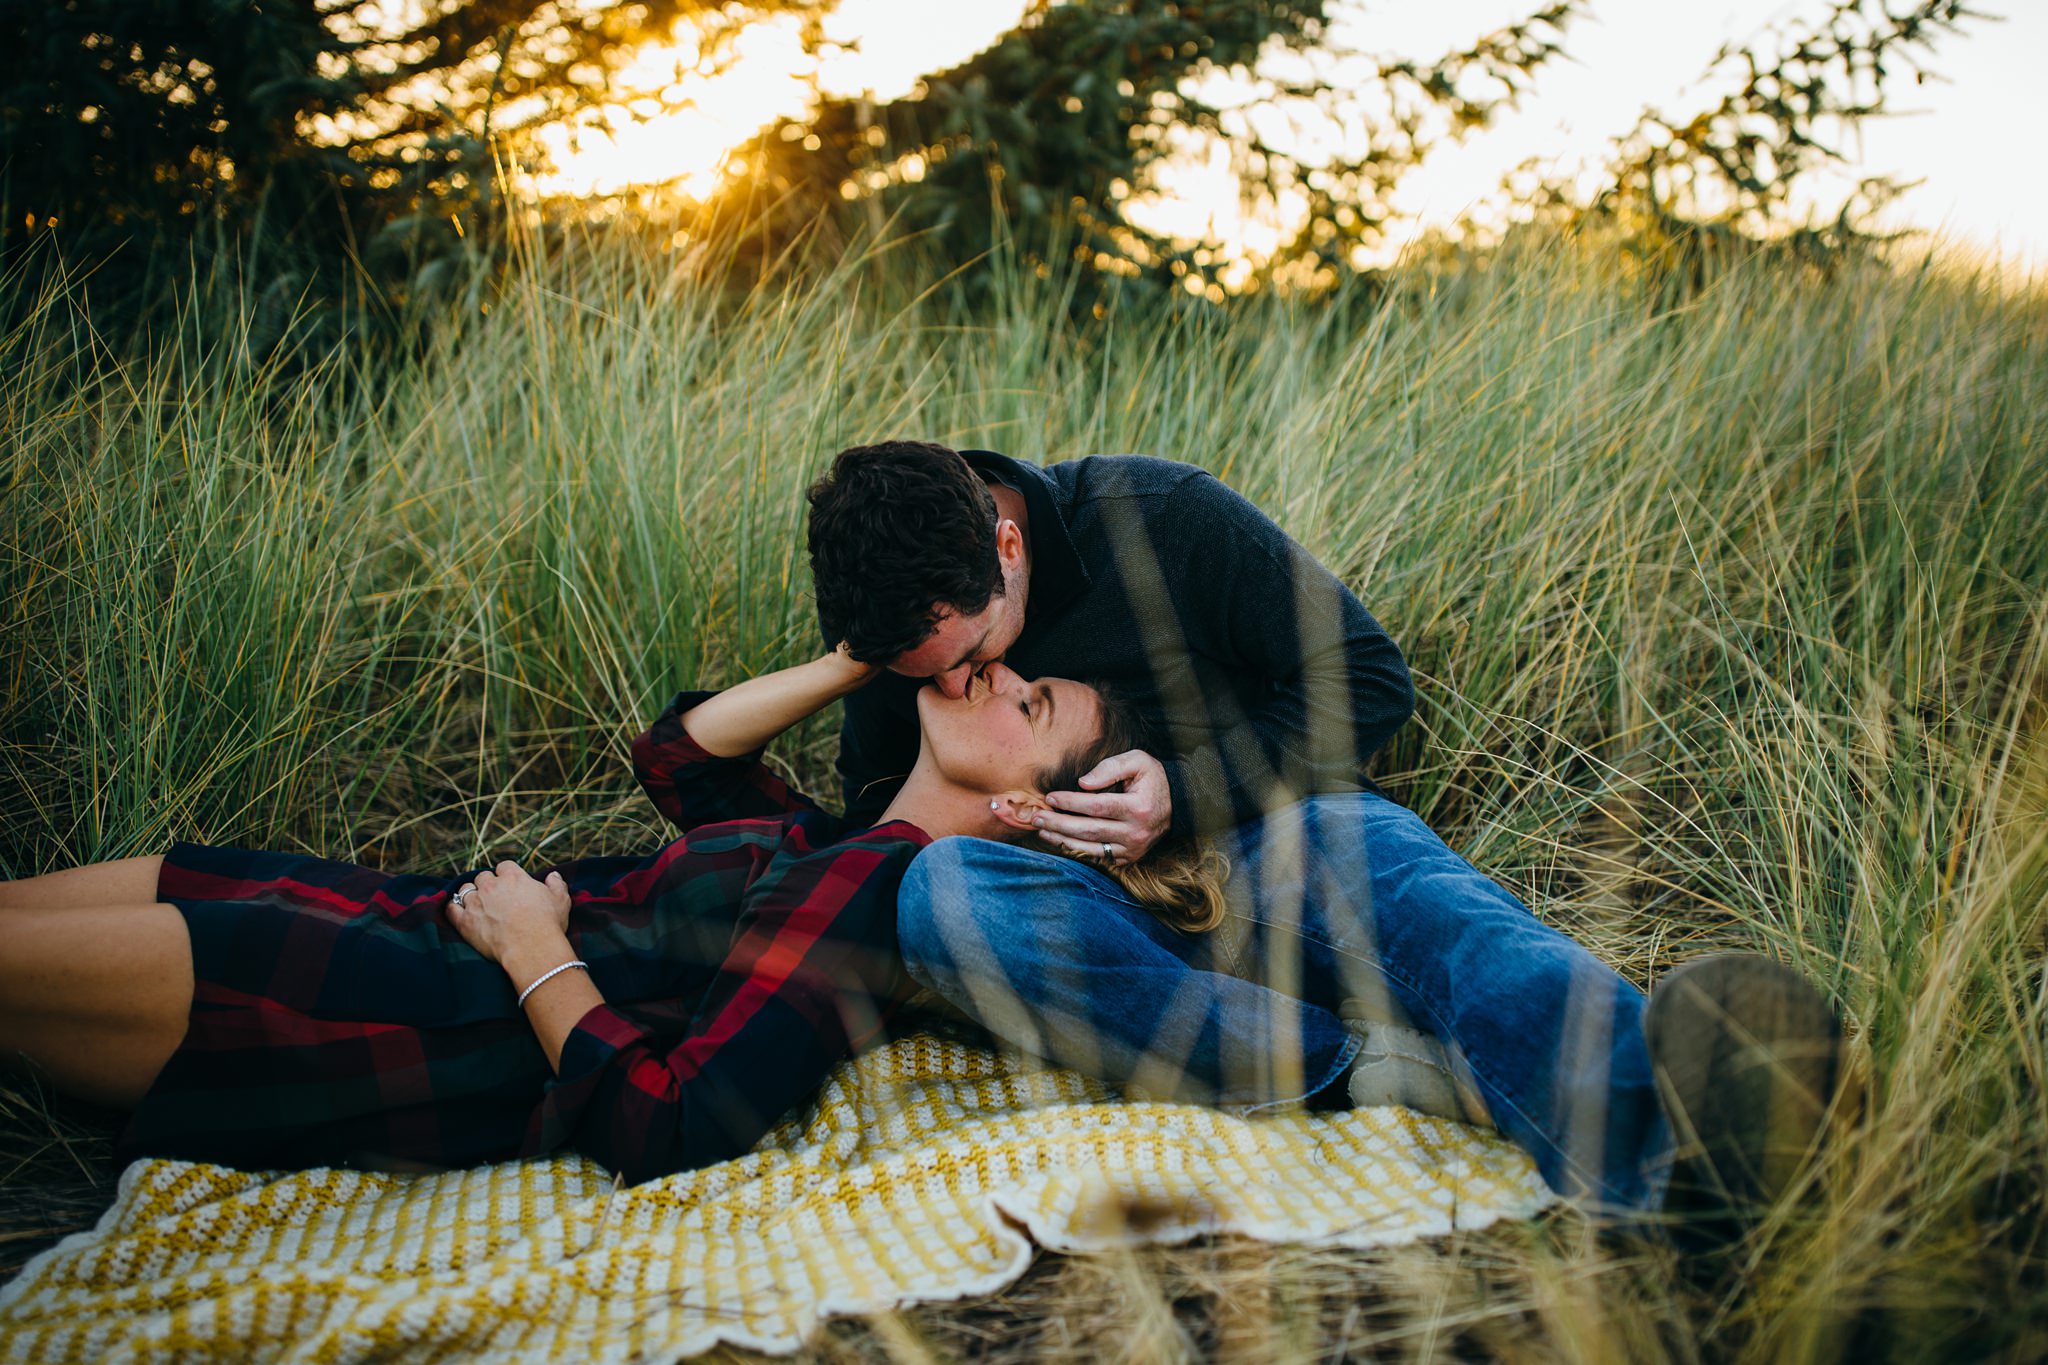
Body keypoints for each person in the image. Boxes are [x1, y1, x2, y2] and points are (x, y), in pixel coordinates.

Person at [806, 439, 1845, 1223]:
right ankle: (1360, 1069)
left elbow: (1365, 679)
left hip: (1263, 835)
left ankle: (1672, 1155)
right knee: (936, 901)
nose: (950, 685)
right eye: (918, 679)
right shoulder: (900, 628)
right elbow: (876, 823)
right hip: (1080, 914)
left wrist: (1185, 792)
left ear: (1007, 543)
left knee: (1439, 913)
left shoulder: (1160, 517)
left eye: (972, 646)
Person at [0, 649, 1168, 1186]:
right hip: (363, 916)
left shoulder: (870, 901)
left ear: (1027, 803)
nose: (993, 675)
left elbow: (676, 1124)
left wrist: (535, 951)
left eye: (1031, 699)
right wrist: (866, 655)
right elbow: (674, 754)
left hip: (381, 1012)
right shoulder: (834, 840)